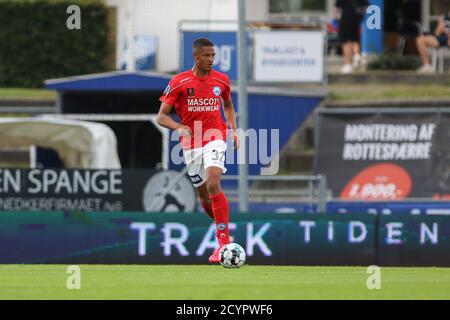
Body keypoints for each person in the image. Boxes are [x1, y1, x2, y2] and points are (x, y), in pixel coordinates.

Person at [157, 38, 239, 263]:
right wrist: (179, 127)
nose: (211, 60)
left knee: (213, 182)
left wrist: (234, 129)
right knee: (203, 195)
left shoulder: (221, 81)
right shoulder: (179, 82)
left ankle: (222, 242)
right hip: (191, 145)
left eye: (213, 55)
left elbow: (228, 104)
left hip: (215, 137)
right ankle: (222, 232)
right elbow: (162, 116)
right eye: (207, 56)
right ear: (196, 56)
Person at [335, 0, 369, 74]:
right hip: (356, 20)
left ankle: (348, 64)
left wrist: (337, 18)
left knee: (345, 42)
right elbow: (366, 7)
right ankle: (356, 56)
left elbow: (337, 9)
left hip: (345, 18)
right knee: (354, 39)